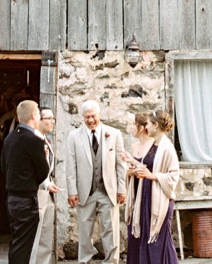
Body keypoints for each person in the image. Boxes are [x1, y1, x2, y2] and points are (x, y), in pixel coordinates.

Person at [66, 100, 126, 264]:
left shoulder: (114, 134)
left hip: (108, 190)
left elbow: (121, 165)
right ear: (82, 117)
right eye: (87, 117)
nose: (91, 120)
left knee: (110, 229)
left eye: (93, 116)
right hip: (85, 191)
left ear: (99, 115)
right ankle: (84, 261)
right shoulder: (73, 136)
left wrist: (122, 189)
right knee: (84, 230)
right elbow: (71, 166)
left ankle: (111, 261)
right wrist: (72, 191)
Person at [1, 100, 56, 264]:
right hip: (26, 198)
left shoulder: (9, 138)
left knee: (17, 241)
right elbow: (43, 171)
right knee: (24, 245)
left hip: (12, 197)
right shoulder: (33, 140)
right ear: (33, 115)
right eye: (38, 113)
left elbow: (3, 165)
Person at [126, 110, 180, 264]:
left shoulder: (167, 148)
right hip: (146, 196)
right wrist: (133, 166)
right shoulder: (154, 145)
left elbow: (174, 176)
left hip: (159, 199)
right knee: (145, 240)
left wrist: (153, 176)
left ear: (156, 125)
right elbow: (148, 167)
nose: (146, 127)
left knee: (159, 242)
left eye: (148, 124)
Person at [122, 114, 154, 264]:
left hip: (148, 192)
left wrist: (136, 167)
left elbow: (153, 168)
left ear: (141, 127)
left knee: (146, 227)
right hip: (136, 191)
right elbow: (132, 169)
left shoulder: (154, 145)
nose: (131, 128)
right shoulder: (134, 146)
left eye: (133, 124)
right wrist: (129, 172)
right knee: (134, 229)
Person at [29, 107, 59, 264]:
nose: (52, 121)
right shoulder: (32, 140)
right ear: (38, 120)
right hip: (37, 193)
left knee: (46, 234)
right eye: (48, 118)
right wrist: (45, 184)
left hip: (48, 193)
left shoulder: (45, 140)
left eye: (53, 118)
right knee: (36, 234)